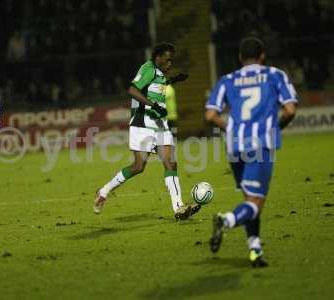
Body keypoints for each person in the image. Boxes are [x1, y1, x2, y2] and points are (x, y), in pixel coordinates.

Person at [205, 36, 297, 267]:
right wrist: (275, 128)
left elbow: (210, 115)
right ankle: (226, 220)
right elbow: (289, 110)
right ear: (262, 55)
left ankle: (255, 249)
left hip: (235, 146)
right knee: (256, 202)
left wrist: (232, 129)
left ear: (240, 57)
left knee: (249, 200)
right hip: (260, 144)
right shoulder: (275, 75)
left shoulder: (227, 79)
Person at [94, 42, 197, 220]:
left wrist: (173, 80)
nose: (170, 64)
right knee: (138, 167)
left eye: (172, 60)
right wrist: (153, 105)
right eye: (167, 60)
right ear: (157, 57)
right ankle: (104, 191)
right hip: (143, 125)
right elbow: (132, 89)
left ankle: (178, 207)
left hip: (160, 125)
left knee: (170, 163)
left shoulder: (160, 73)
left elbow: (154, 87)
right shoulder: (148, 68)